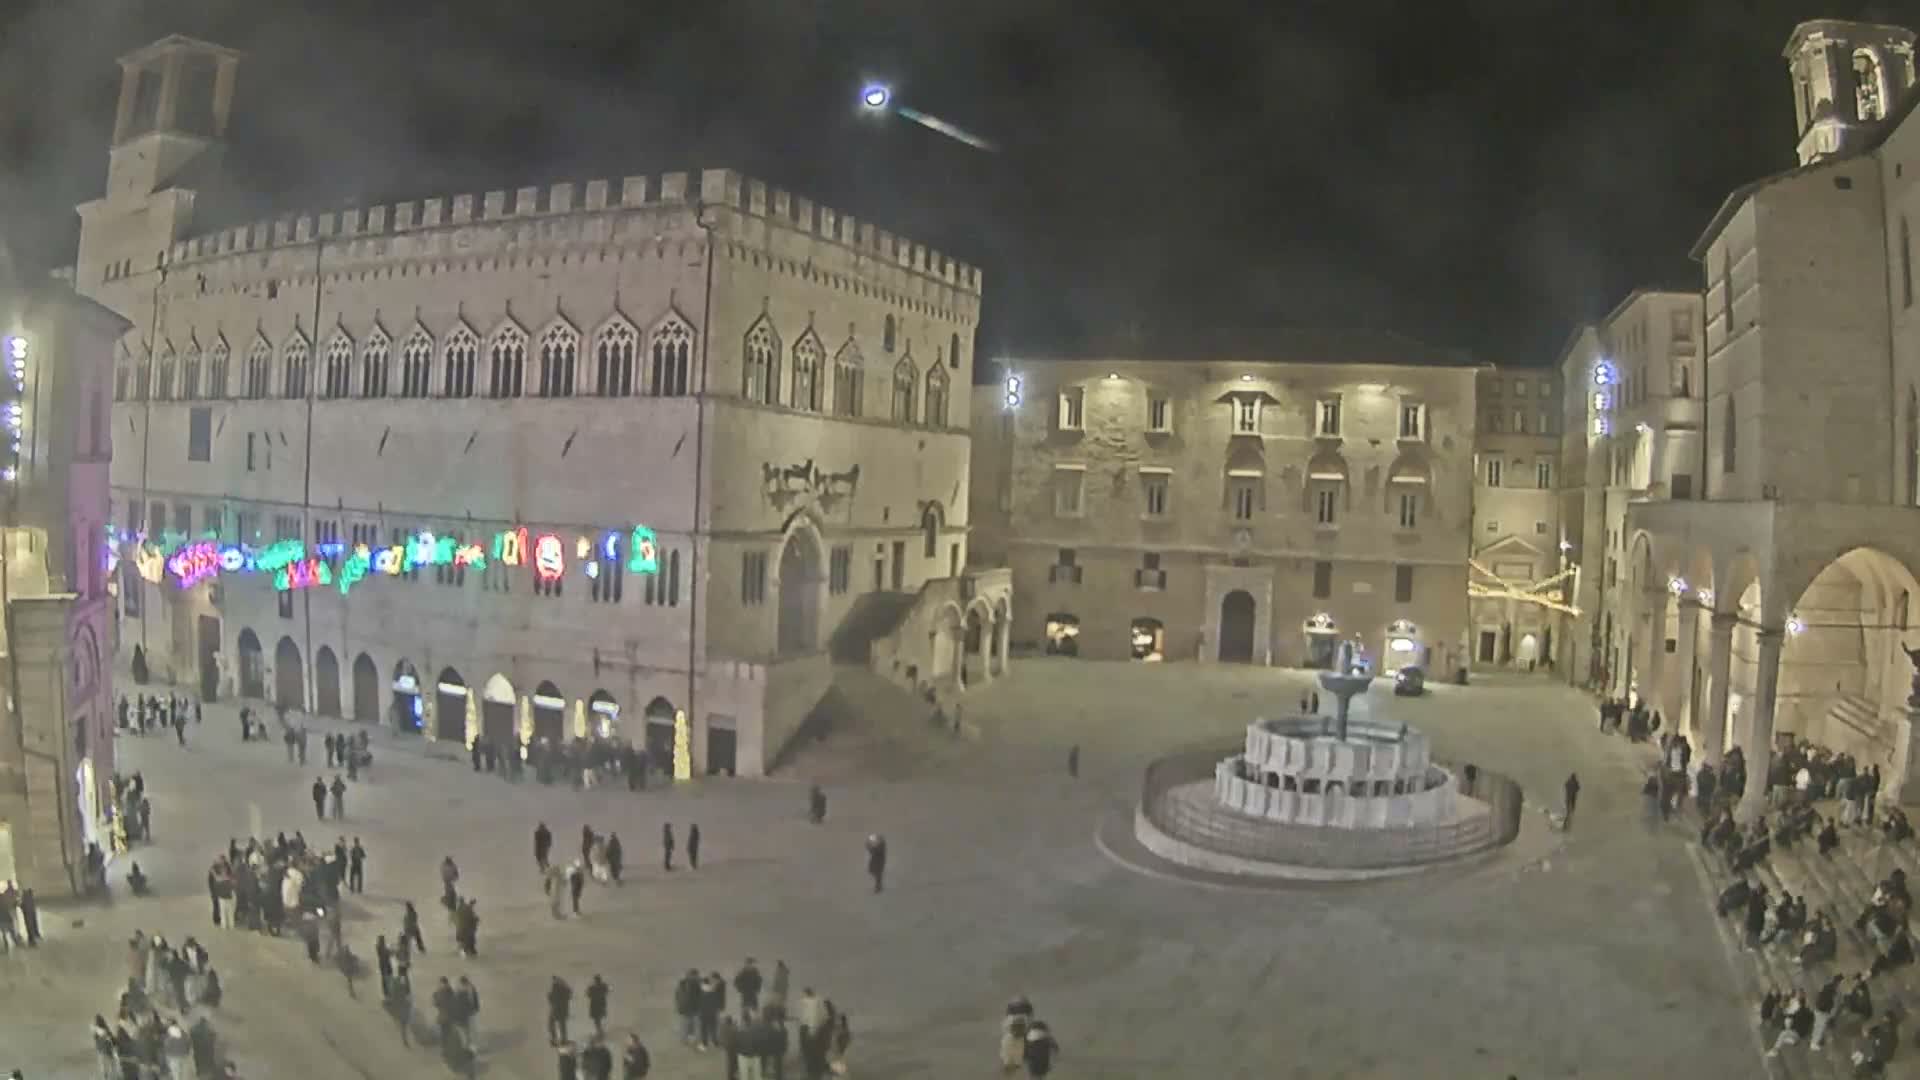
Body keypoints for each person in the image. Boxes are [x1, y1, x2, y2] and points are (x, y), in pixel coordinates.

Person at [548, 975, 573, 1046]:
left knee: (551, 1024)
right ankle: (563, 1040)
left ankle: (555, 1039)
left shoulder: (556, 988)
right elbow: (569, 995)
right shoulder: (565, 989)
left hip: (556, 1009)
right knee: (562, 1025)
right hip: (563, 1010)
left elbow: (551, 998)